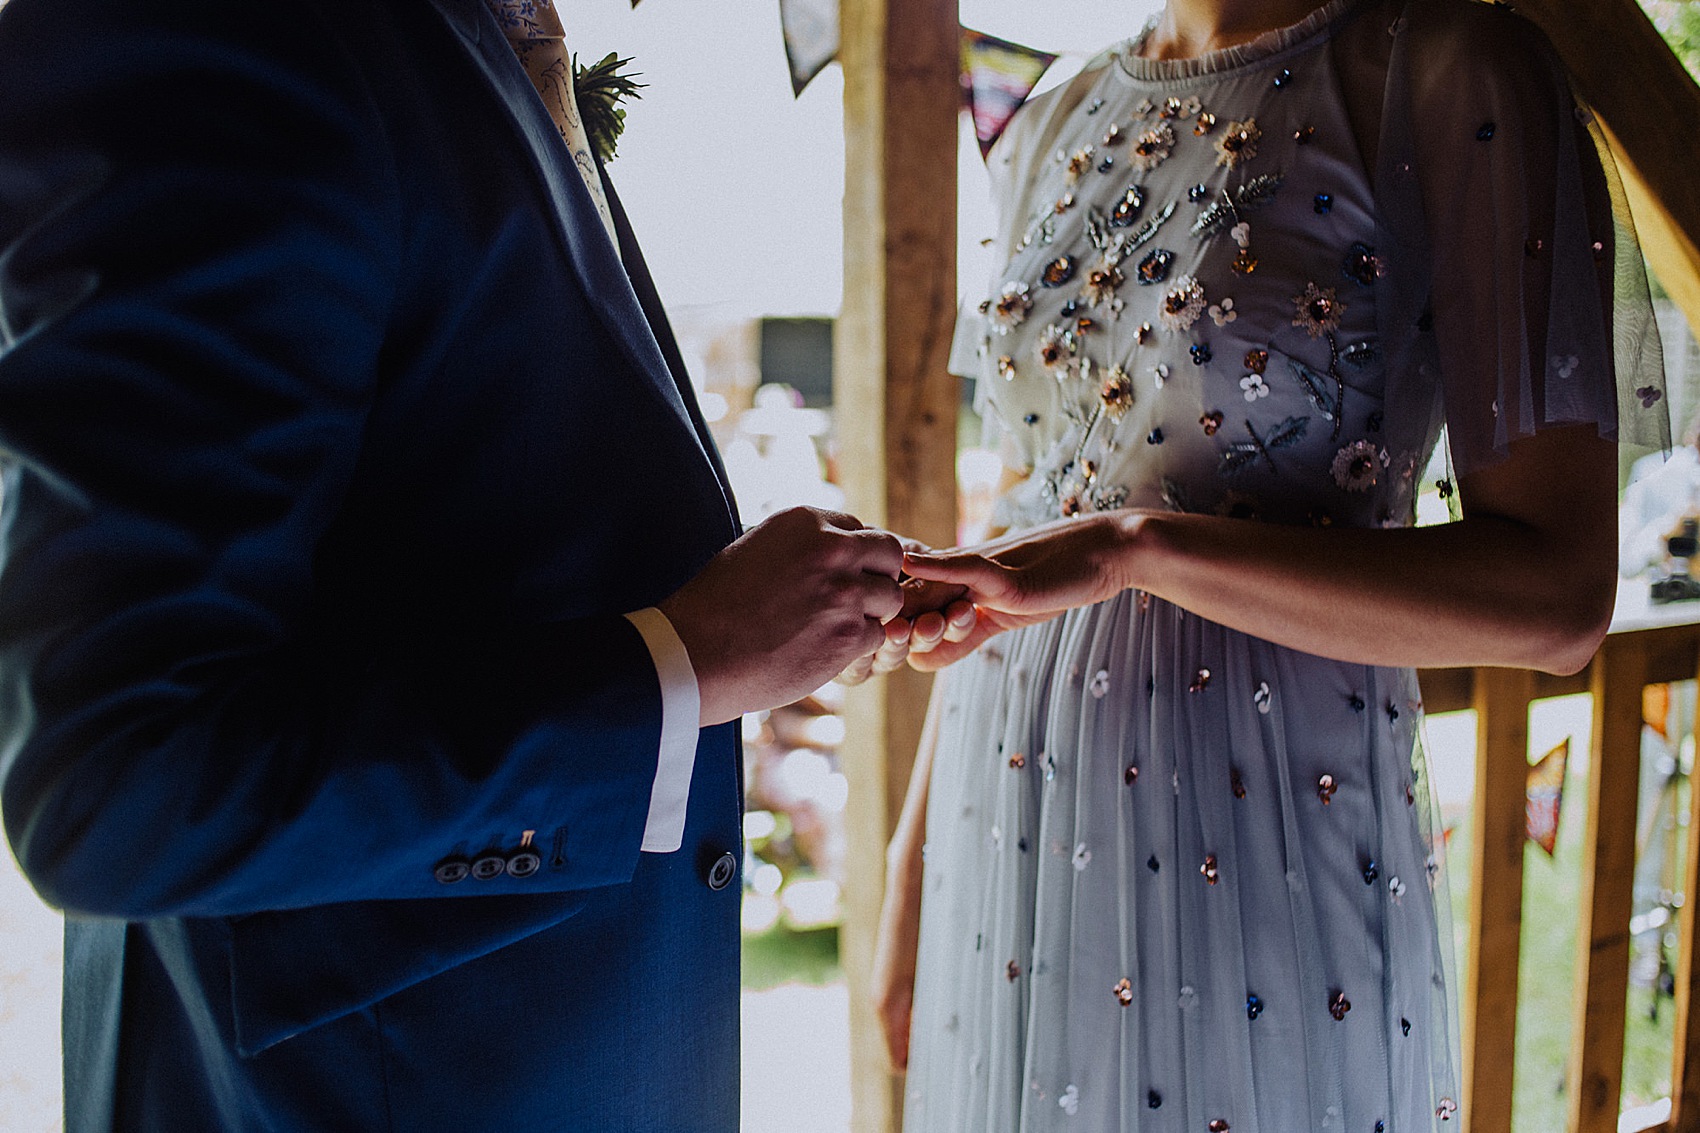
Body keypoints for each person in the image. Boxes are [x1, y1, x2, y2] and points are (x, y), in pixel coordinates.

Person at [0, 0, 955, 1128]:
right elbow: (120, 781)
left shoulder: (475, 42)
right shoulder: (238, 33)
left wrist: (749, 610)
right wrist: (685, 661)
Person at [873, 0, 1669, 1127]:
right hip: (999, 816)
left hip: (1259, 825)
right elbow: (1025, 496)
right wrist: (913, 859)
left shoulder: (1447, 72)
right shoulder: (1061, 109)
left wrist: (1136, 549)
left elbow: (1555, 600)